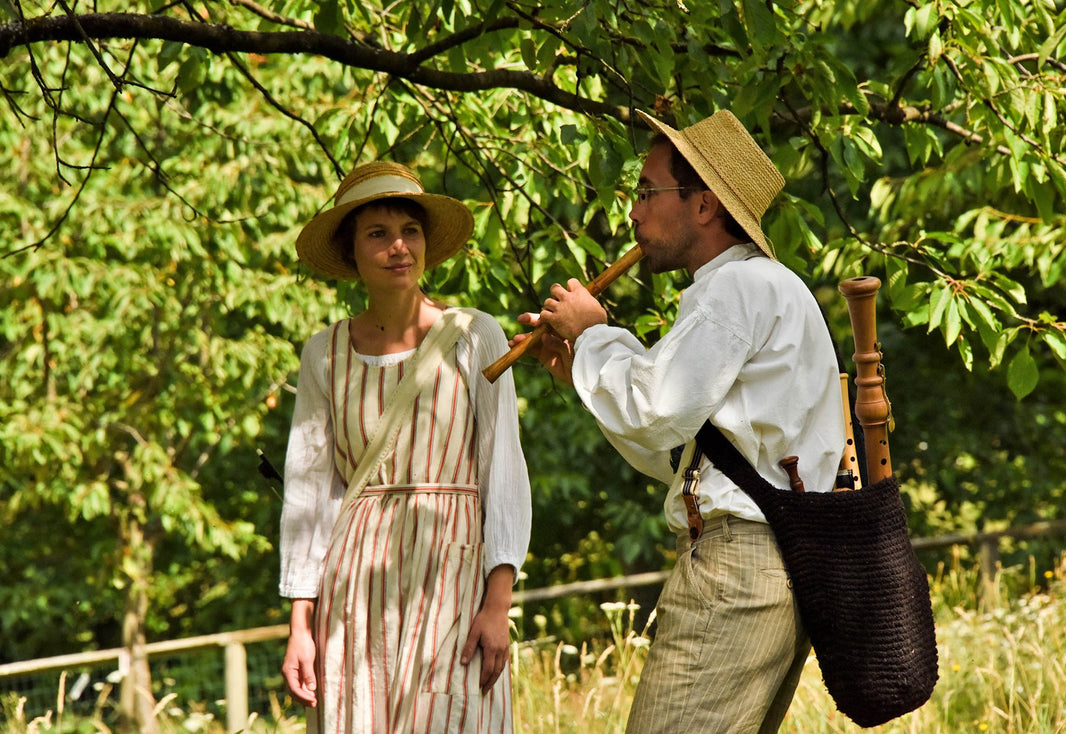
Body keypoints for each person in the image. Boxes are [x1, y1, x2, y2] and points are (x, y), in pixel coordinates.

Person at [517, 110, 845, 733]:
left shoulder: (738, 290)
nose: (633, 213)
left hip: (736, 567)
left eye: (646, 192)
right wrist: (580, 371)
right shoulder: (755, 289)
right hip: (765, 565)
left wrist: (592, 336)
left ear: (704, 205)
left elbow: (657, 410)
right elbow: (678, 452)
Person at [279, 161, 532, 733]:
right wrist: (301, 624)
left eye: (409, 231)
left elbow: (505, 471)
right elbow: (309, 493)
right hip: (357, 584)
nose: (398, 247)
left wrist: (499, 602)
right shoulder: (325, 353)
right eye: (378, 234)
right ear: (351, 253)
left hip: (455, 575)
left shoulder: (474, 335)